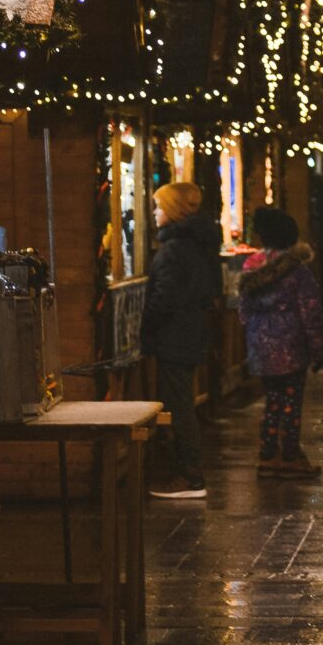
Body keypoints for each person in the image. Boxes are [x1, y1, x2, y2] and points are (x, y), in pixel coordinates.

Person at [142, 181, 220, 501]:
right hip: (191, 332)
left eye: (159, 207)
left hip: (175, 335)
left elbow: (165, 298)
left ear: (172, 211)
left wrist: (147, 328)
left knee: (180, 405)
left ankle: (190, 476)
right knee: (181, 402)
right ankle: (188, 471)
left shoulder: (175, 249)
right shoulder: (198, 244)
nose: (155, 213)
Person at [239, 206, 323, 478]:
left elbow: (243, 311)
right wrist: (318, 348)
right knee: (291, 401)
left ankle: (268, 453)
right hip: (291, 347)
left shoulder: (250, 268)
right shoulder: (298, 272)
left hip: (261, 347)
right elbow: (309, 311)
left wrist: (255, 338)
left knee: (272, 399)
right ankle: (289, 454)